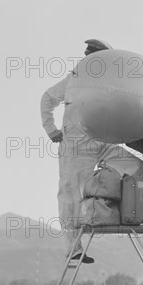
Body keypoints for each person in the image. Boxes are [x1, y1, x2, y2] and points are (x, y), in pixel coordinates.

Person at [40, 39, 125, 264]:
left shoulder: (112, 81)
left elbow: (142, 88)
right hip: (76, 146)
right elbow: (47, 99)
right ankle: (73, 249)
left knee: (133, 167)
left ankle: (119, 215)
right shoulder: (73, 81)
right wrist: (51, 130)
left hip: (103, 141)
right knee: (71, 194)